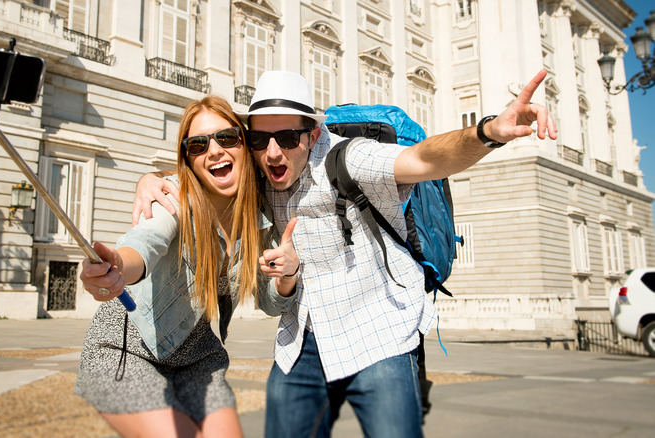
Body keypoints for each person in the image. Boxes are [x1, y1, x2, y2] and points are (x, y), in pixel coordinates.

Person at [132, 70, 557, 437]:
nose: (273, 151)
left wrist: (486, 132)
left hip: (379, 332)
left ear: (313, 133)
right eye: (260, 139)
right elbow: (209, 174)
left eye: (287, 136)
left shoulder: (351, 159)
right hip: (303, 341)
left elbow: (423, 159)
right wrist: (151, 179)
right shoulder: (262, 171)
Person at [74, 95, 300, 438]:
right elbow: (145, 242)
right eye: (198, 145)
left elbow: (270, 303)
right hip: (127, 347)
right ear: (189, 161)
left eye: (226, 138)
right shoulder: (174, 199)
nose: (214, 151)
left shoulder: (261, 218)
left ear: (245, 145)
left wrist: (287, 276)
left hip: (198, 356)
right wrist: (118, 266)